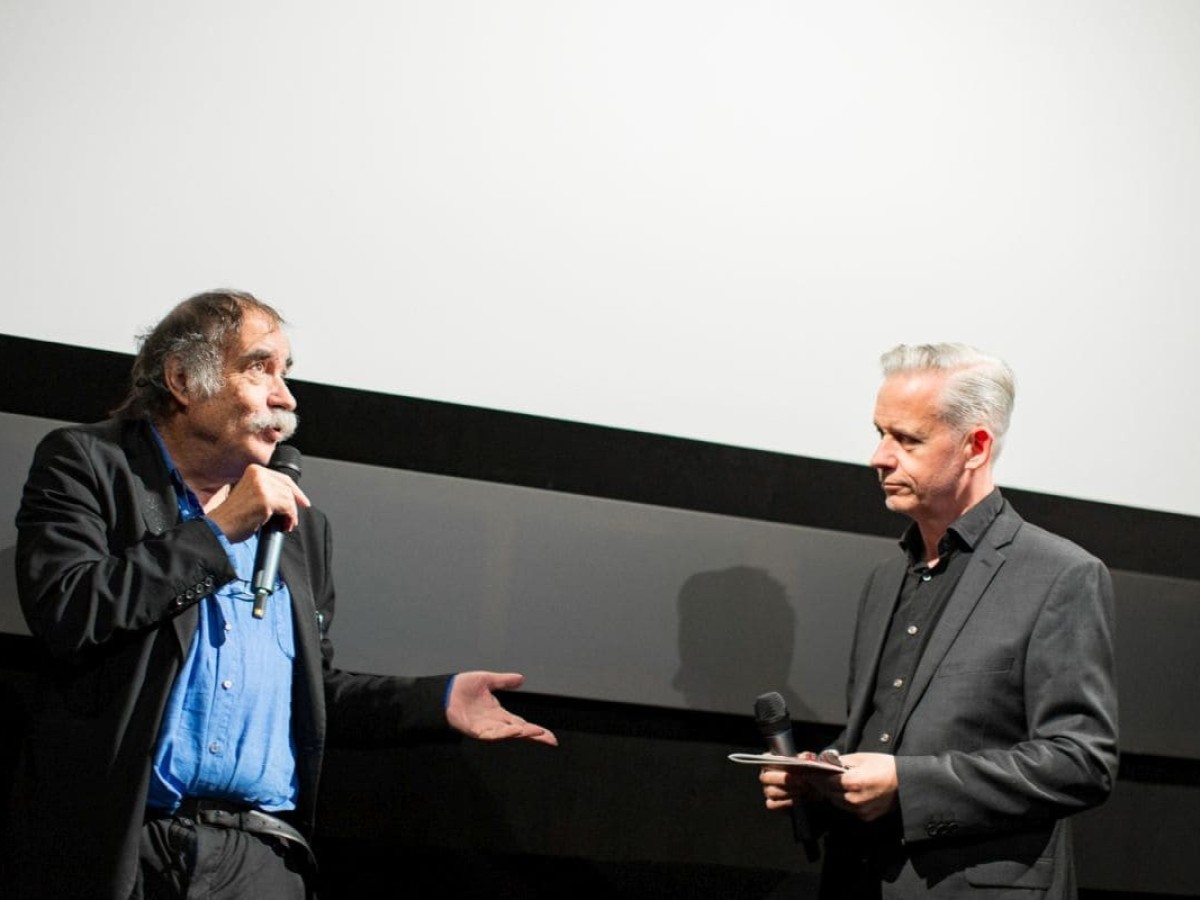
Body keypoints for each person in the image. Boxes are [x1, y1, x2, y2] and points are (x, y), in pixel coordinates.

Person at [3, 289, 557, 900]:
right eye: (260, 367)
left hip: (259, 860)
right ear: (184, 378)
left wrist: (438, 701)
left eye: (286, 374)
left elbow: (314, 694)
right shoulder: (89, 463)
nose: (285, 399)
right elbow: (69, 608)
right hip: (123, 847)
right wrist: (217, 532)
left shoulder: (299, 527)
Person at [759, 343, 1118, 898]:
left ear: (975, 446)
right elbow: (885, 735)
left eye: (907, 439)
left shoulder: (1061, 575)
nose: (879, 457)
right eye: (880, 433)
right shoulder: (885, 579)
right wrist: (823, 775)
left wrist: (908, 786)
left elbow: (1081, 761)